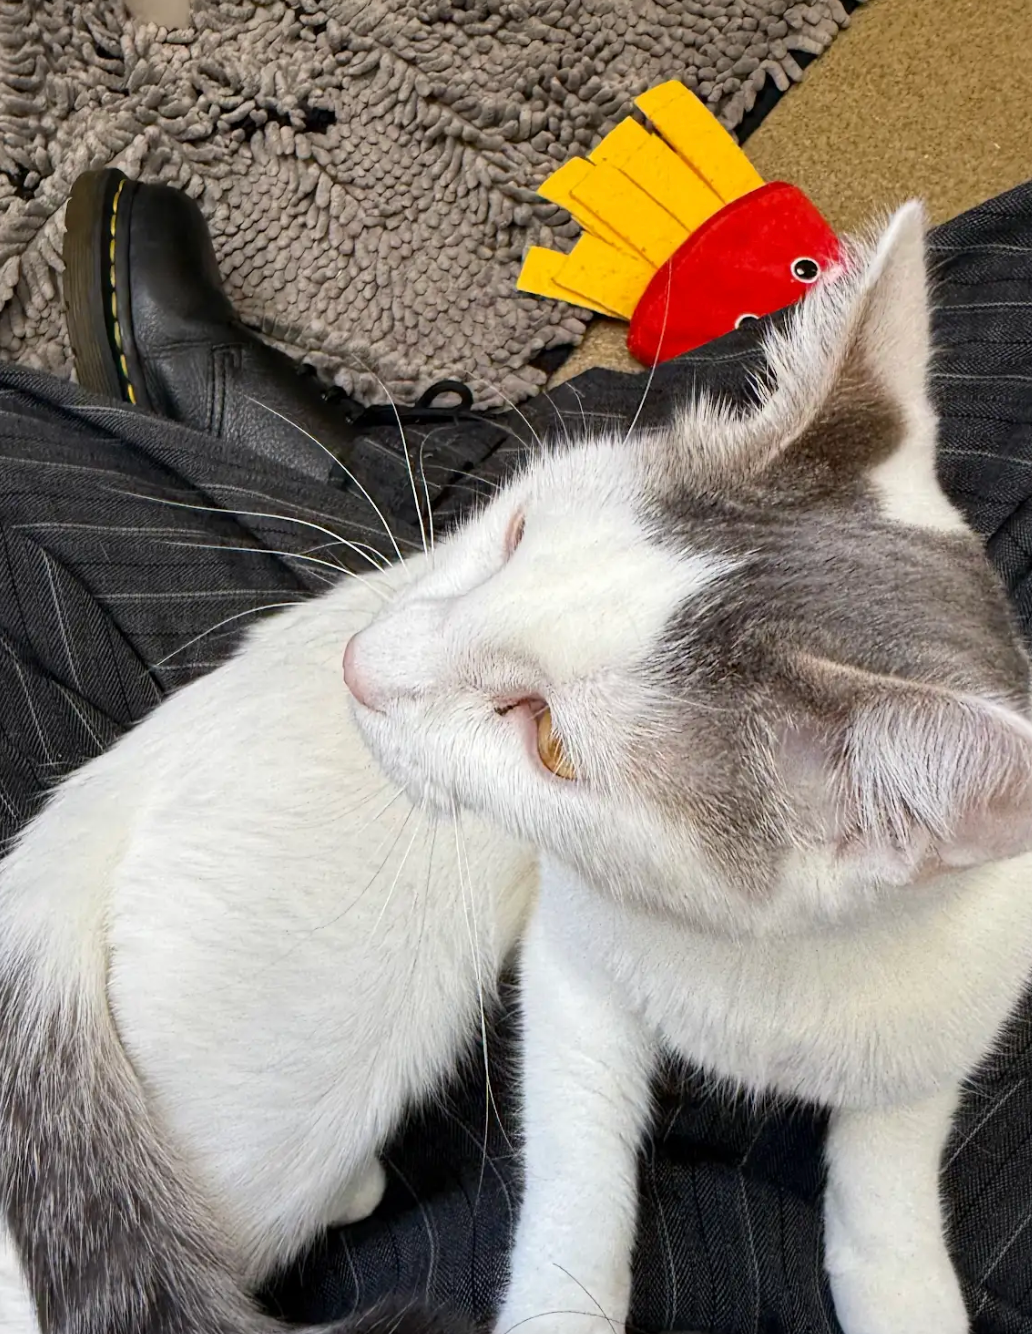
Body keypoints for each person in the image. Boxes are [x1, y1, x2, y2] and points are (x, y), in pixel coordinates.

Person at [2, 168, 1032, 1332]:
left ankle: (363, 468)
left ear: (873, 824)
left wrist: (886, 1220)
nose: (370, 664)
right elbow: (584, 949)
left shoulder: (884, 823)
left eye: (544, 736)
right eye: (519, 528)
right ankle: (405, 474)